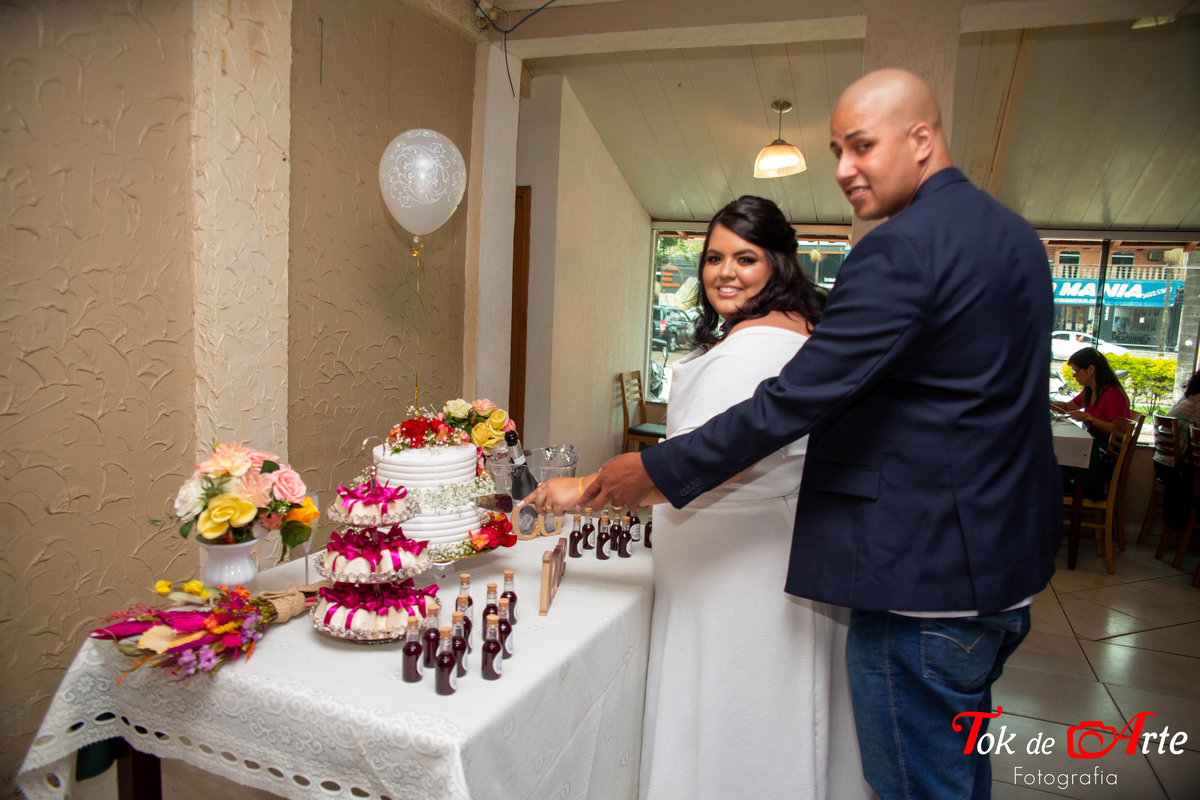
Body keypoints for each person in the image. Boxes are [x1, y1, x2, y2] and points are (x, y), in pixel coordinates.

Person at [567, 69, 1060, 799]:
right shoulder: (1016, 236)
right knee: (958, 775)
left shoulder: (902, 248)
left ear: (922, 139)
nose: (844, 170)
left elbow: (790, 402)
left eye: (862, 146)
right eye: (837, 151)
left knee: (919, 784)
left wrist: (654, 471)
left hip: (924, 579)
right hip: (1003, 569)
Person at [530, 197, 870, 800]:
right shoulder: (799, 328)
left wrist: (581, 489)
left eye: (745, 258)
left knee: (731, 726)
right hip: (767, 551)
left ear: (779, 262)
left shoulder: (756, 347)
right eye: (713, 258)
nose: (724, 272)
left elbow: (702, 459)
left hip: (735, 578)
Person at [1051, 347, 1131, 439]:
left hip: (1105, 445)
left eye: (1076, 371)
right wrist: (1044, 401)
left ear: (1091, 369)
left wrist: (1088, 418)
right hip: (1093, 440)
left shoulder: (1112, 393)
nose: (1073, 375)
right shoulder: (1090, 390)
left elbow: (1118, 430)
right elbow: (1067, 407)